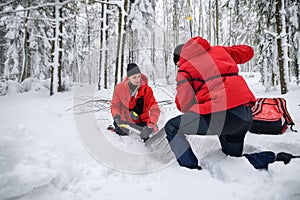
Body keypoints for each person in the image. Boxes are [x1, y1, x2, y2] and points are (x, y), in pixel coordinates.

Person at [165, 36, 256, 170]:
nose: (178, 67)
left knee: (172, 127)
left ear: (180, 59)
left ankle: (190, 170)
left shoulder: (185, 69)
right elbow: (248, 52)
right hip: (245, 116)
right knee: (233, 160)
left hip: (224, 118)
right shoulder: (219, 51)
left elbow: (183, 105)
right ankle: (272, 159)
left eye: (177, 64)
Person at [110, 63, 161, 141]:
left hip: (142, 120)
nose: (138, 80)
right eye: (134, 77)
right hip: (125, 120)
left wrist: (151, 125)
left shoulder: (147, 90)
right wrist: (116, 116)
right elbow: (115, 106)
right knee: (122, 132)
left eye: (139, 76)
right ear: (128, 78)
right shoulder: (120, 88)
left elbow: (155, 109)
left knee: (147, 135)